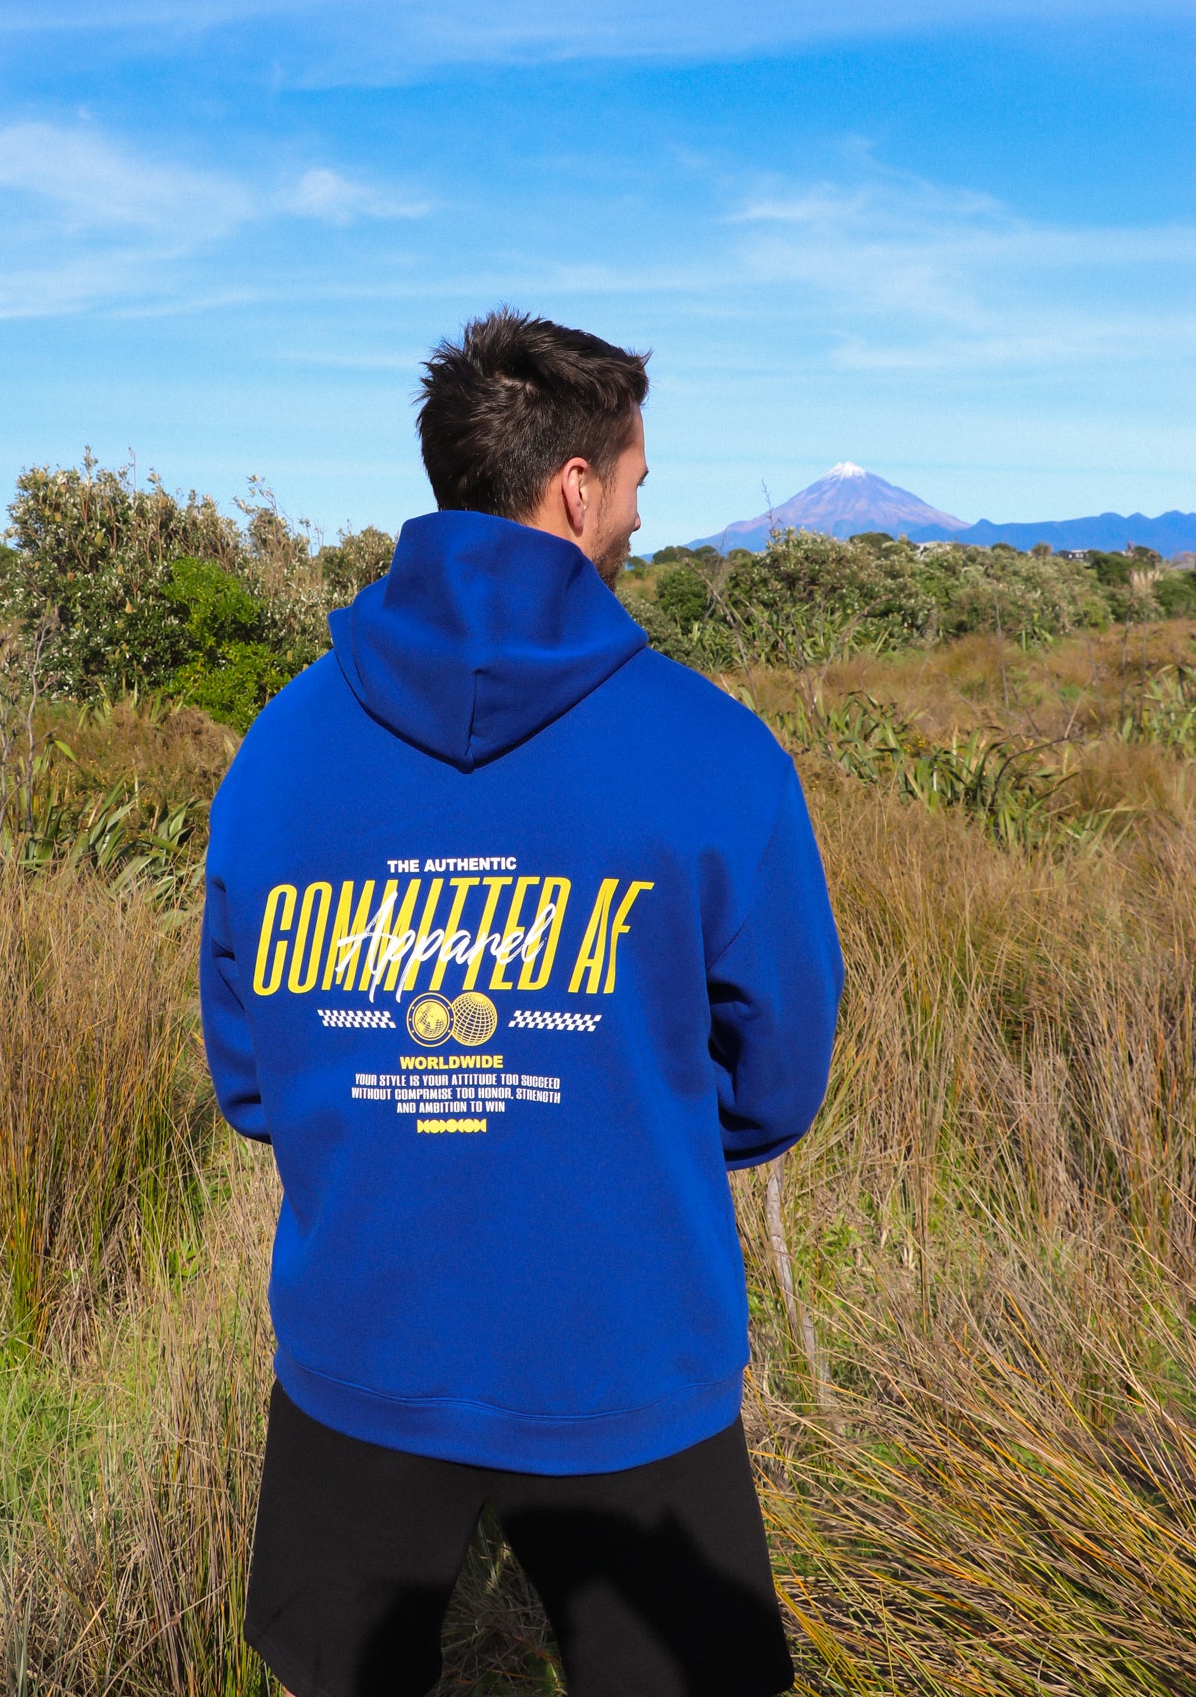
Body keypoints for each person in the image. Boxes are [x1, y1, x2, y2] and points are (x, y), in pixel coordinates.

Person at [200, 310, 843, 1697]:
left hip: (360, 1343)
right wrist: (615, 1113)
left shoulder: (283, 745)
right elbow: (776, 1076)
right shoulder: (714, 750)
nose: (638, 515)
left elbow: (250, 1077)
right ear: (576, 486)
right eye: (637, 482)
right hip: (624, 1348)